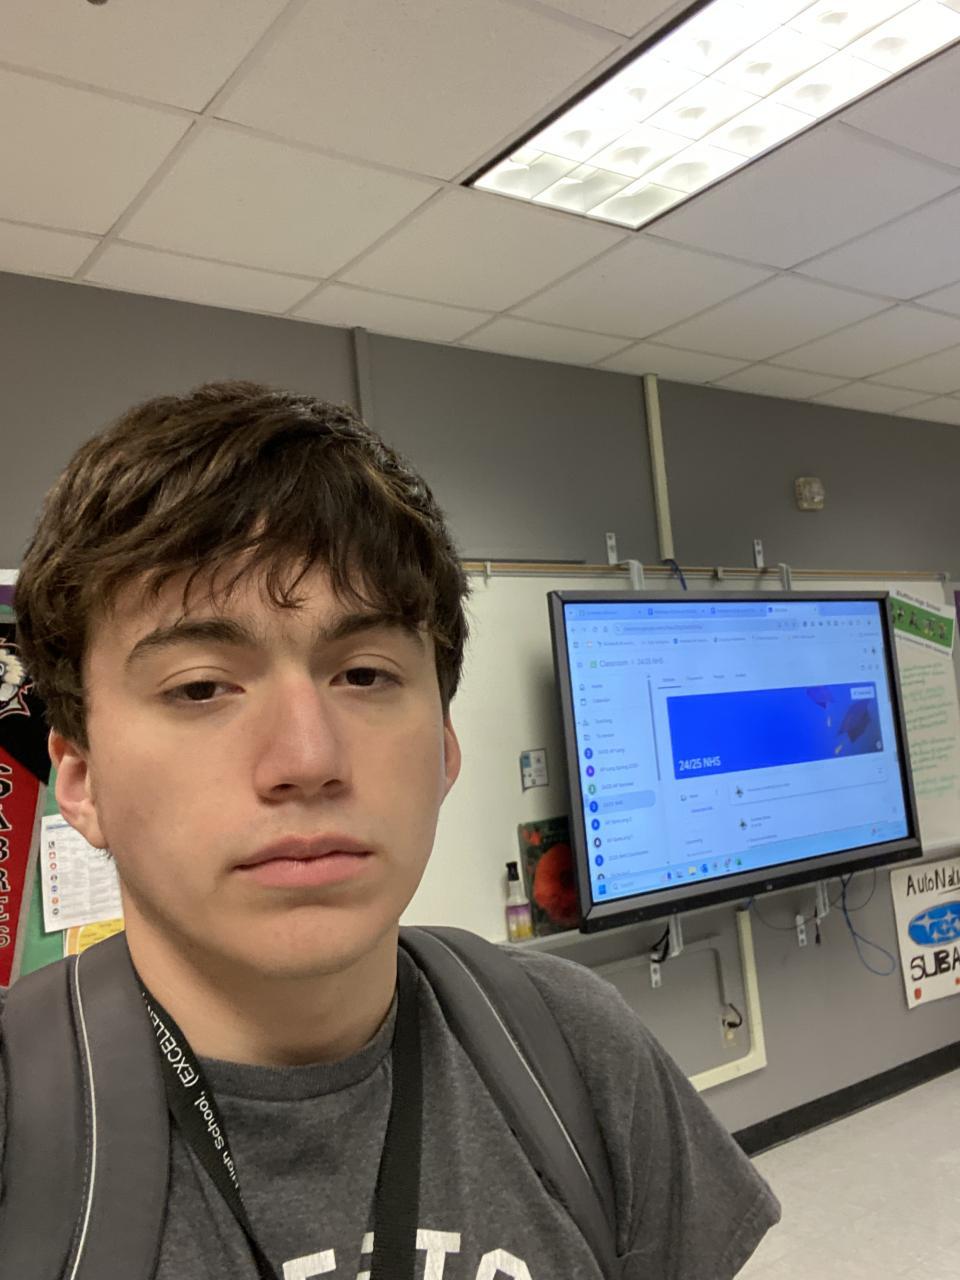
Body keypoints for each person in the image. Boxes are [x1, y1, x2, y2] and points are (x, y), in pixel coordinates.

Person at [4, 381, 780, 1278]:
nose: (307, 758)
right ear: (81, 779)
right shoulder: (21, 1124)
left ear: (444, 750)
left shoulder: (577, 1048)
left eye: (365, 675)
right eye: (202, 687)